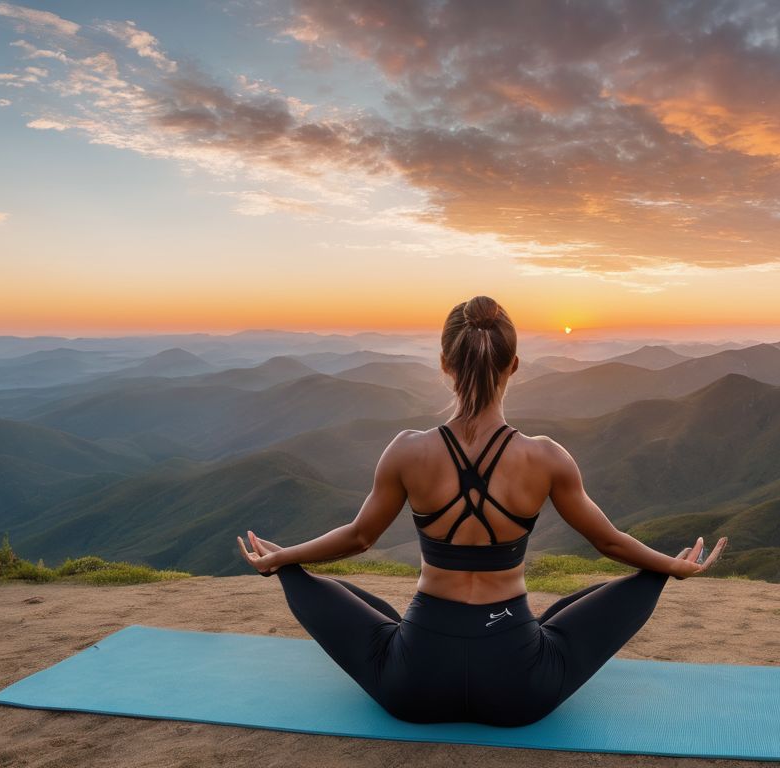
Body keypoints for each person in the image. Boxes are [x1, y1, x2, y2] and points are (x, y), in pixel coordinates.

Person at [235, 295, 727, 727]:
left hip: (416, 684)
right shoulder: (545, 457)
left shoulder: (408, 450)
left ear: (445, 364)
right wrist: (671, 566)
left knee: (319, 584)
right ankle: (658, 577)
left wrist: (285, 557)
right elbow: (610, 543)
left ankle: (287, 568)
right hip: (519, 688)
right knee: (634, 582)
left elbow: (359, 537)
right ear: (514, 365)